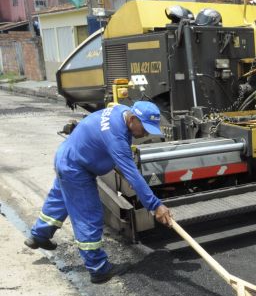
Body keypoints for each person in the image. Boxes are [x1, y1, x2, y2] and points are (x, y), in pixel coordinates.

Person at [25, 101, 173, 283]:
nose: (146, 133)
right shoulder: (116, 137)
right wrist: (155, 205)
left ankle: (38, 236)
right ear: (133, 119)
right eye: (144, 127)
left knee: (60, 200)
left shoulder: (121, 111)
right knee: (88, 215)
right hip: (77, 169)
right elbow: (133, 175)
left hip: (67, 156)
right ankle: (98, 268)